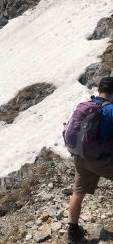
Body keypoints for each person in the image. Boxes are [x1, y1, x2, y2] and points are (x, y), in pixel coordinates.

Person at [67, 77, 113, 244]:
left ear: (99, 90)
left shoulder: (86, 106)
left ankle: (73, 231)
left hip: (80, 157)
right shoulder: (111, 110)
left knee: (78, 192)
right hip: (100, 160)